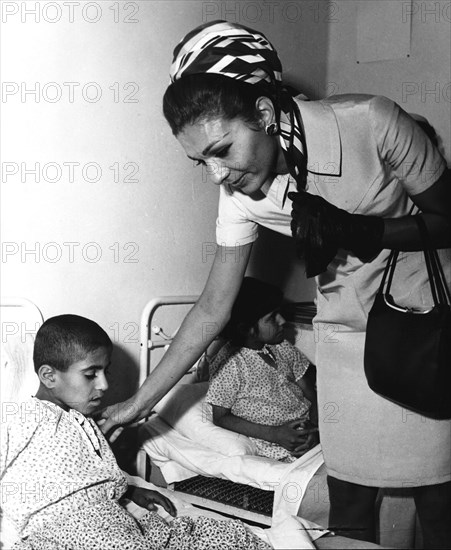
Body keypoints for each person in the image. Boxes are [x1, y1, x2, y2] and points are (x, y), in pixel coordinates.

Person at [99, 20, 451, 547]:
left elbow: (449, 217)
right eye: (201, 162)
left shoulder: (371, 123)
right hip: (346, 336)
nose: (216, 174)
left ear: (263, 113)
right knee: (349, 496)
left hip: (422, 328)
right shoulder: (240, 192)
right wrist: (137, 404)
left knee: (437, 499)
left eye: (221, 149)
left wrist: (367, 230)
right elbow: (213, 308)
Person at [0, 314, 270, 550]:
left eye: (105, 371)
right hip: (63, 532)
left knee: (223, 537)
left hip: (111, 523)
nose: (104, 384)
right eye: (90, 374)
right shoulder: (23, 417)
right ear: (49, 376)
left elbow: (94, 480)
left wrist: (130, 491)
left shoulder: (86, 424)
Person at [206, 276, 318, 463]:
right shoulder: (231, 365)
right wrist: (275, 434)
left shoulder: (282, 347)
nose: (282, 321)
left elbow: (310, 392)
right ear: (247, 329)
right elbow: (221, 417)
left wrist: (315, 428)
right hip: (277, 442)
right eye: (273, 317)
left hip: (309, 430)